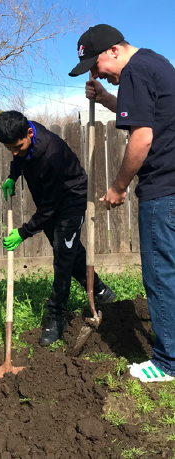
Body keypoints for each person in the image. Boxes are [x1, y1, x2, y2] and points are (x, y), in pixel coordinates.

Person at [69, 24, 175, 382]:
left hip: (163, 188)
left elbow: (142, 137)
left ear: (113, 50)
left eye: (97, 66)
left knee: (161, 276)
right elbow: (148, 116)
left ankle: (168, 362)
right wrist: (105, 100)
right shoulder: (152, 64)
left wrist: (117, 187)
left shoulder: (133, 71)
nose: (98, 75)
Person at [0, 111, 116, 346]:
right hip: (49, 200)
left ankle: (57, 316)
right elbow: (20, 157)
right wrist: (13, 175)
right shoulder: (25, 134)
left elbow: (50, 207)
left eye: (18, 147)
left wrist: (24, 232)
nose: (15, 152)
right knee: (68, 250)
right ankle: (101, 291)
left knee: (62, 256)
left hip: (71, 199)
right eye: (10, 149)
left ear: (30, 132)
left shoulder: (52, 154)